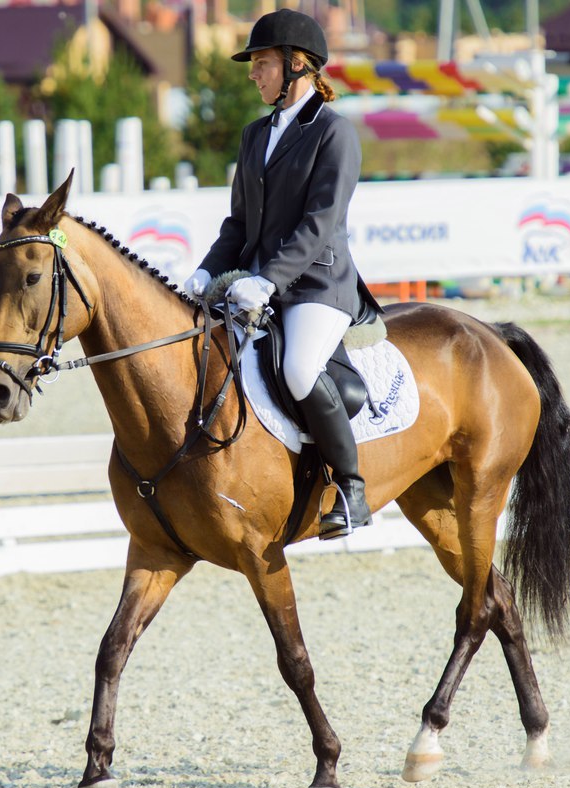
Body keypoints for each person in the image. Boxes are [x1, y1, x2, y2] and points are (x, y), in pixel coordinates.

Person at [182, 8, 379, 540]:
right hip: (253, 282)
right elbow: (239, 223)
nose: (253, 73)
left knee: (297, 369)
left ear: (297, 66)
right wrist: (206, 272)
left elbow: (319, 223)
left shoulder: (334, 134)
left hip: (316, 282)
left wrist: (267, 279)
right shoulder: (254, 135)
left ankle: (351, 487)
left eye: (262, 63)